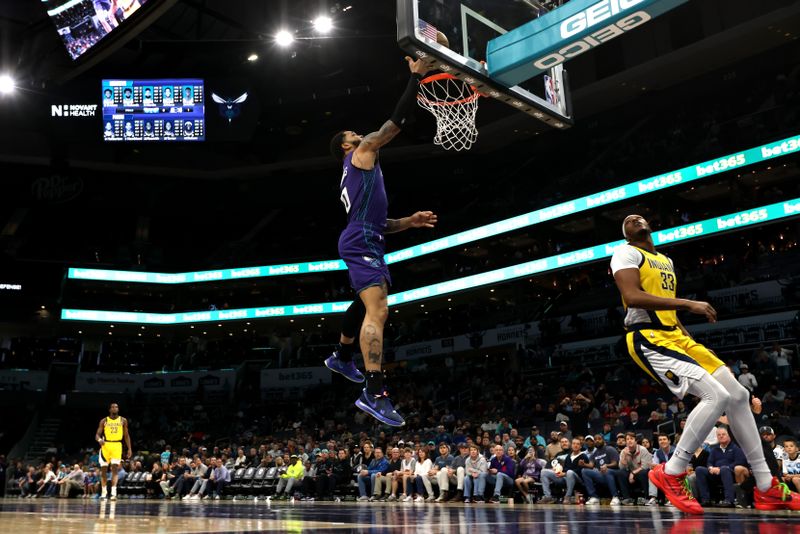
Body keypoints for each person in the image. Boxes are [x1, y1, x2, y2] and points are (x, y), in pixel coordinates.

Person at [610, 214, 798, 513]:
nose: (634, 218)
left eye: (639, 216)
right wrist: (688, 303)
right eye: (628, 220)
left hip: (676, 336)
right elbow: (632, 296)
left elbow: (666, 310)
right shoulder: (626, 252)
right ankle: (671, 472)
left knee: (738, 395)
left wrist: (688, 338)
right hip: (647, 337)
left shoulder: (665, 261)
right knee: (716, 396)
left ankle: (765, 486)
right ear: (626, 234)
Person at [324, 56, 437, 427]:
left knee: (365, 302)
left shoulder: (358, 170)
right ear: (345, 147)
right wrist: (416, 78)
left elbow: (381, 223)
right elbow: (397, 122)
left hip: (365, 234)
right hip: (361, 239)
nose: (358, 133)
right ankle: (374, 392)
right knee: (379, 309)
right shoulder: (362, 153)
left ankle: (341, 356)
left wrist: (410, 222)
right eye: (351, 134)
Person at [694, 426, 748, 508]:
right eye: (719, 435)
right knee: (699, 469)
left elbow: (740, 462)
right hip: (716, 473)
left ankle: (729, 500)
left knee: (724, 469)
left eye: (723, 434)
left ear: (729, 435)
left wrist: (723, 468)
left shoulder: (735, 448)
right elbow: (709, 462)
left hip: (731, 474)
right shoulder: (715, 450)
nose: (721, 436)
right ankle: (705, 499)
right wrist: (710, 468)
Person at [95, 403, 131, 501]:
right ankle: (103, 493)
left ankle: (113, 493)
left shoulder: (123, 420)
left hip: (117, 445)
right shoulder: (104, 420)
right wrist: (99, 440)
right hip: (105, 445)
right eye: (113, 407)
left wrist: (129, 449)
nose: (115, 408)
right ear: (109, 409)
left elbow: (126, 436)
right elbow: (97, 435)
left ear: (118, 409)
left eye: (116, 407)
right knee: (103, 471)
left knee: (115, 469)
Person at [581, 434, 621, 506]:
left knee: (607, 470)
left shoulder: (610, 449)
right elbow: (591, 465)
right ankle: (594, 497)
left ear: (603, 440)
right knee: (584, 471)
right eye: (595, 439)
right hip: (602, 475)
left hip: (614, 474)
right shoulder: (595, 453)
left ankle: (615, 497)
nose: (597, 441)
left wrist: (607, 466)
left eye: (599, 439)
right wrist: (584, 464)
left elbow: (615, 463)